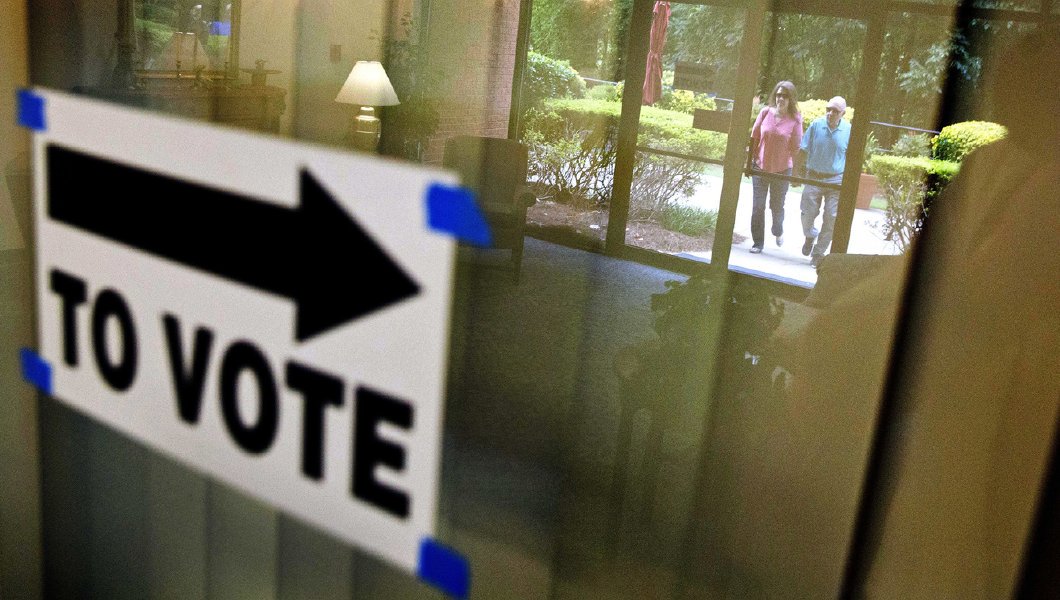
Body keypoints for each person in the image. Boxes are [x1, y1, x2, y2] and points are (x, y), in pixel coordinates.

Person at [748, 81, 803, 253]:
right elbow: (754, 138)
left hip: (782, 170)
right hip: (760, 166)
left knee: (776, 206)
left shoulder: (795, 119)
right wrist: (749, 163)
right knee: (758, 207)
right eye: (778, 95)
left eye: (785, 96)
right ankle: (758, 243)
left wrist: (796, 174)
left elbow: (796, 149)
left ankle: (778, 231)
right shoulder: (765, 112)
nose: (781, 99)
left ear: (791, 99)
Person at [799, 96, 850, 267]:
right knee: (807, 213)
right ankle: (810, 235)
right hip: (814, 176)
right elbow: (803, 149)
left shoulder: (848, 130)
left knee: (831, 218)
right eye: (828, 109)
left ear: (843, 113)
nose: (830, 113)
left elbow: (852, 157)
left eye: (835, 111)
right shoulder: (816, 125)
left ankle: (818, 253)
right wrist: (797, 172)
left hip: (835, 180)